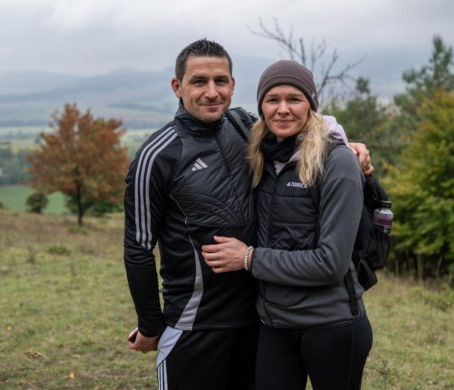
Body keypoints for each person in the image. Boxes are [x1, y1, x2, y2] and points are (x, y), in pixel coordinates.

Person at [123, 41, 371, 390]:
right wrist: (150, 324)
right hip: (195, 325)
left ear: (233, 85)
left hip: (257, 322)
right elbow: (138, 248)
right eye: (199, 81)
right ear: (177, 87)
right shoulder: (158, 155)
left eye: (220, 81)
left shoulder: (243, 127)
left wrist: (347, 145)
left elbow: (298, 126)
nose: (212, 92)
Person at [202, 60, 373, 390]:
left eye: (294, 99)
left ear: (311, 104)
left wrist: (249, 258)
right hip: (274, 324)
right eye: (272, 100)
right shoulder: (262, 155)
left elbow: (331, 264)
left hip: (331, 325)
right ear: (261, 107)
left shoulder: (337, 161)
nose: (282, 109)